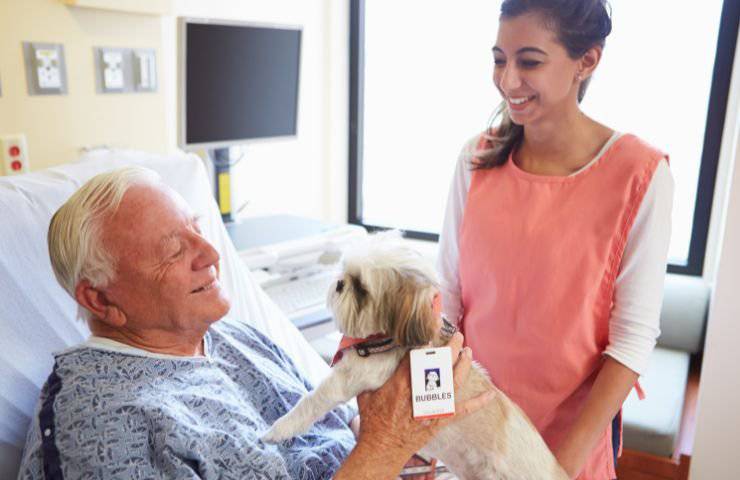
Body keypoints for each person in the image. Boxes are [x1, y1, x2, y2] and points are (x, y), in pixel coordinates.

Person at [18, 167, 490, 479]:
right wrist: (387, 443)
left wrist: (402, 450)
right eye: (173, 250)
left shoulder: (233, 338)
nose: (210, 254)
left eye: (197, 230)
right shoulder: (98, 426)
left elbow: (338, 430)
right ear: (101, 299)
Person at [437, 1, 674, 479]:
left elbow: (630, 346)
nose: (508, 81)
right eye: (500, 59)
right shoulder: (475, 160)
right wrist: (425, 423)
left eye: (529, 61)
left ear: (587, 60)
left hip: (567, 452)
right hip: (469, 439)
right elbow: (445, 306)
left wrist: (553, 470)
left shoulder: (640, 175)